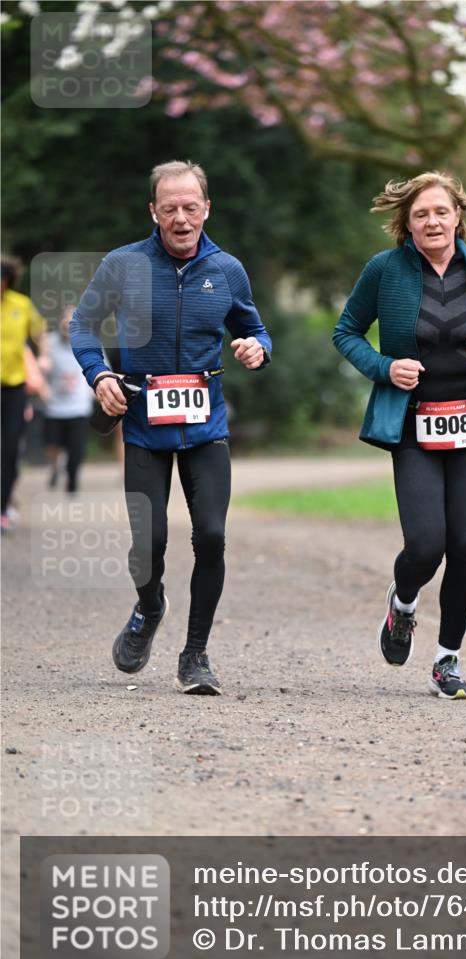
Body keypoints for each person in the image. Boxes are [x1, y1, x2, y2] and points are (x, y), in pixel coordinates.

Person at [71, 160, 272, 695]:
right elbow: (83, 325)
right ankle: (149, 605)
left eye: (190, 207)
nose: (180, 219)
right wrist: (98, 374)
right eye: (169, 209)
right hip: (141, 421)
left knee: (211, 535)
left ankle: (196, 655)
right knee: (149, 543)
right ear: (153, 212)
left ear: (207, 208)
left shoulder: (227, 269)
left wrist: (258, 347)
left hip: (206, 423)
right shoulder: (123, 264)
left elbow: (253, 326)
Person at [333, 171, 466, 700]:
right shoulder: (386, 270)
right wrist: (383, 367)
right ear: (407, 223)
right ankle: (402, 606)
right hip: (413, 423)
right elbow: (345, 331)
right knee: (426, 545)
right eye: (421, 214)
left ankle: (448, 660)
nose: (432, 221)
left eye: (441, 212)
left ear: (458, 217)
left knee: (465, 546)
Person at [1, 257, 46, 534]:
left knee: (9, 451)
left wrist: (43, 360)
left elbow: (41, 336)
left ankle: (3, 507)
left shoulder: (21, 305)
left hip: (14, 389)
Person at [41, 304, 94, 493]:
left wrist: (96, 389)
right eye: (66, 319)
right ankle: (55, 467)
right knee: (52, 444)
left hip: (79, 406)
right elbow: (39, 368)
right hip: (54, 405)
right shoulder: (48, 342)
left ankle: (72, 478)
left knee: (76, 449)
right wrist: (42, 386)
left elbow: (104, 369)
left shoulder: (89, 342)